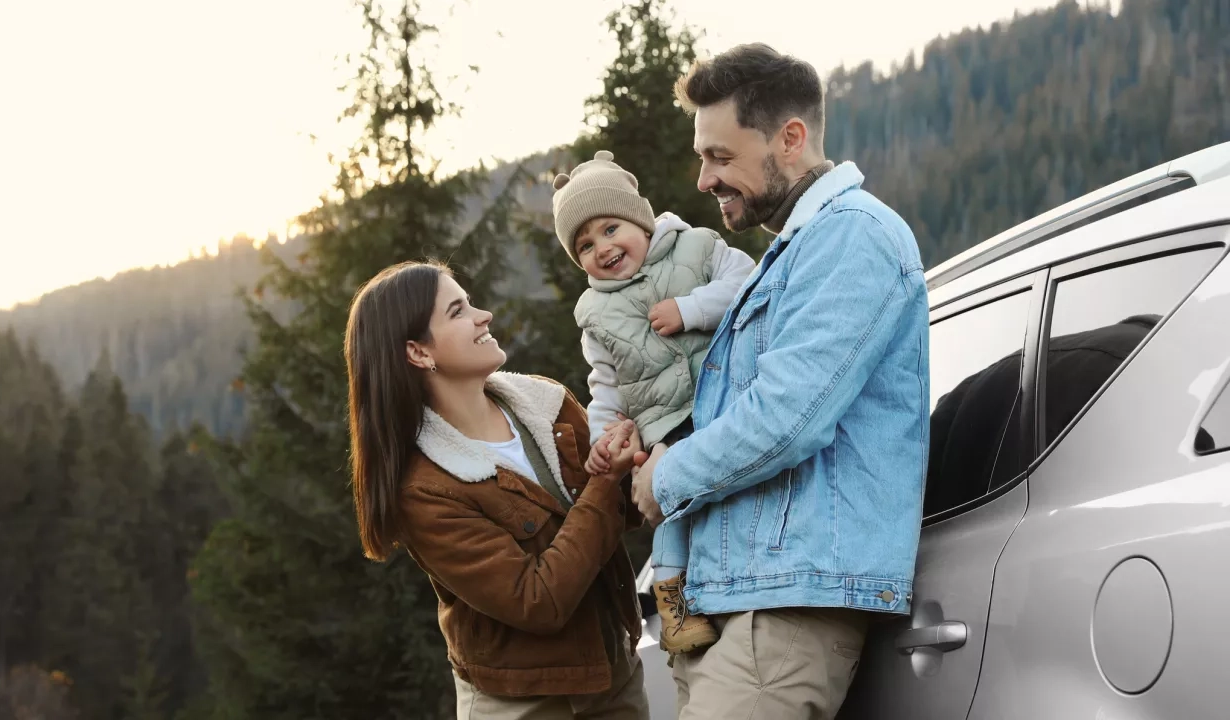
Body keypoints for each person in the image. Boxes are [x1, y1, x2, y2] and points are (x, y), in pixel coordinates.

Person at [627, 43, 931, 719]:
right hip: (735, 598)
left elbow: (786, 417)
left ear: (790, 139)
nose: (703, 179)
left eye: (720, 156)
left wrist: (666, 477)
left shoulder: (854, 237)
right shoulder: (797, 249)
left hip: (783, 608)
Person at [344, 261, 649, 720]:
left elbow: (625, 514)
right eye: (458, 311)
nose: (483, 315)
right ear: (418, 352)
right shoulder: (425, 489)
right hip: (526, 703)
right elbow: (538, 601)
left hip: (616, 674)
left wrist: (633, 452)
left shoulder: (547, 403)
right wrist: (606, 482)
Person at [550, 149, 756, 655]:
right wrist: (606, 441)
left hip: (726, 400)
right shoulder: (595, 314)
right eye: (585, 244)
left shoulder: (699, 247)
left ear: (641, 219)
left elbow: (751, 284)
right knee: (668, 511)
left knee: (731, 493)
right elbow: (606, 387)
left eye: (611, 227)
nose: (603, 247)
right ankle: (675, 608)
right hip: (663, 423)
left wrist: (691, 309)